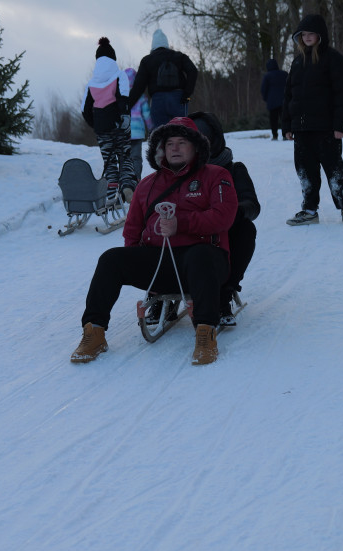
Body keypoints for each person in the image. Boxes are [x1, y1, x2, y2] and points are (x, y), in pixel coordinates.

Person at [70, 117, 238, 366]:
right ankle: (94, 331)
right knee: (111, 259)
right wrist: (138, 262)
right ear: (161, 148)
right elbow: (133, 229)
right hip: (161, 262)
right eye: (170, 143)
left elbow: (224, 217)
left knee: (199, 255)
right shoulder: (148, 184)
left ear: (195, 147)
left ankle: (205, 332)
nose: (175, 148)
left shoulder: (215, 175)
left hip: (204, 264)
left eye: (182, 142)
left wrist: (181, 223)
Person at [282, 13, 343, 225]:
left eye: (311, 33)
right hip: (302, 129)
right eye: (303, 34)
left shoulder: (333, 60)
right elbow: (288, 96)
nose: (306, 37)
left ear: (320, 35)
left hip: (326, 128)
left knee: (334, 169)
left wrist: (340, 125)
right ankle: (309, 210)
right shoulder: (297, 63)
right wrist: (287, 125)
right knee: (305, 171)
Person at [190, 111, 260, 326]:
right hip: (188, 230)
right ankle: (163, 293)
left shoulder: (234, 169)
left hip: (222, 231)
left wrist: (231, 211)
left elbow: (251, 204)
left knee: (246, 229)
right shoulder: (179, 171)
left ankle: (224, 291)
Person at [81, 37, 136, 201]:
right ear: (113, 58)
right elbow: (123, 98)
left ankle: (112, 196)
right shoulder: (120, 75)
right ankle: (127, 188)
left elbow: (85, 110)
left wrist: (95, 125)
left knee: (109, 161)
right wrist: (124, 118)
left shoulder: (91, 83)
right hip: (119, 124)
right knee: (125, 156)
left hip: (101, 127)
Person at [127, 29, 198, 127]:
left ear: (153, 46)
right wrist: (187, 94)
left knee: (161, 134)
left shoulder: (147, 60)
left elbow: (138, 87)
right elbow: (193, 71)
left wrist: (127, 105)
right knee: (180, 132)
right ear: (166, 44)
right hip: (178, 98)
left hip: (158, 100)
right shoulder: (179, 56)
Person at [123, 66, 152, 181]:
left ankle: (125, 181)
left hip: (123, 132)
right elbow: (147, 116)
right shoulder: (141, 97)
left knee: (124, 157)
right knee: (136, 157)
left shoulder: (119, 97)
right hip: (137, 133)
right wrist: (151, 129)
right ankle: (136, 180)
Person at [260, 58, 289, 140]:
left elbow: (263, 89)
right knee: (284, 118)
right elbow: (290, 86)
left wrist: (266, 99)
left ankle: (275, 135)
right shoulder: (284, 74)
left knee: (273, 120)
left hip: (272, 102)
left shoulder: (267, 76)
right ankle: (285, 134)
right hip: (284, 101)